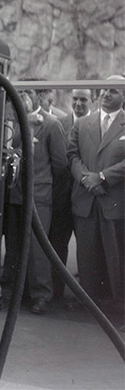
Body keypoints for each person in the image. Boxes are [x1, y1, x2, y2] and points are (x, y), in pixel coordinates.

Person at [0, 85, 68, 314]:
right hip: (13, 195)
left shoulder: (51, 124)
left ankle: (41, 295)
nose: (22, 98)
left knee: (38, 249)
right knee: (13, 247)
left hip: (38, 197)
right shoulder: (10, 123)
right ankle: (10, 294)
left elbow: (60, 165)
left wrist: (44, 187)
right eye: (18, 93)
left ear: (37, 96)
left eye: (26, 93)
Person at [67, 76, 124, 324]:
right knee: (86, 255)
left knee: (117, 257)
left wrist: (102, 177)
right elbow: (72, 155)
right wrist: (86, 179)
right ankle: (88, 305)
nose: (106, 94)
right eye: (104, 90)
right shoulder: (82, 124)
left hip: (114, 202)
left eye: (113, 91)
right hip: (86, 199)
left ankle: (119, 309)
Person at [51, 88, 93, 304]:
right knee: (58, 244)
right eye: (75, 99)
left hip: (87, 197)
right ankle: (56, 292)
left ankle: (85, 298)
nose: (78, 104)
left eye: (83, 100)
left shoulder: (97, 126)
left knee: (86, 250)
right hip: (61, 198)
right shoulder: (60, 123)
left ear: (91, 100)